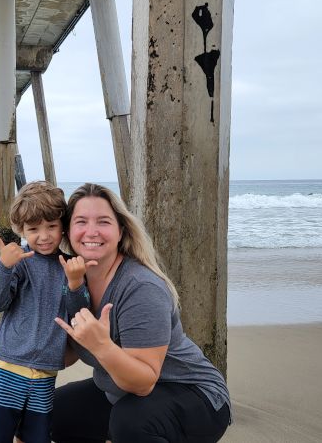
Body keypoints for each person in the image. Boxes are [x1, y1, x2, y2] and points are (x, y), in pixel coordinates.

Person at [51, 183, 231, 442]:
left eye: (103, 221)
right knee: (49, 411)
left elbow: (144, 382)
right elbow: (68, 356)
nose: (91, 231)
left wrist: (102, 345)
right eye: (81, 221)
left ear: (120, 230)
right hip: (121, 394)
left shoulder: (140, 287)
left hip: (195, 395)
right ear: (68, 231)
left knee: (130, 422)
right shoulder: (73, 282)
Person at [0, 181, 90, 443]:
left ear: (62, 225)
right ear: (21, 230)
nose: (44, 236)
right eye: (33, 229)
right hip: (6, 367)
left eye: (52, 226)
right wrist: (4, 267)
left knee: (34, 437)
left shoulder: (69, 268)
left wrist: (76, 284)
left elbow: (79, 317)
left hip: (44, 373)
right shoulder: (20, 263)